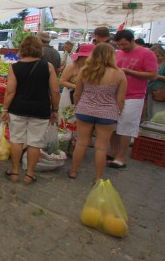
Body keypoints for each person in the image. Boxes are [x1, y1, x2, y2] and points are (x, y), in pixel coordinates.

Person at [1, 35, 60, 185]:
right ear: (39, 49)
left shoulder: (15, 67)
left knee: (16, 139)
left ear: (22, 49)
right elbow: (55, 91)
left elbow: (9, 92)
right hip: (40, 109)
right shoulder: (48, 67)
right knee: (35, 142)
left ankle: (14, 172)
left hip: (18, 108)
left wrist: (4, 109)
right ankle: (29, 175)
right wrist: (55, 110)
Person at [69, 44, 126, 183]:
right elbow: (121, 99)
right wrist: (117, 112)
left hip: (85, 110)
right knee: (101, 147)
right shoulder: (119, 73)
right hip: (107, 113)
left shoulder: (85, 71)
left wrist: (79, 106)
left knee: (81, 143)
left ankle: (73, 171)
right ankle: (98, 177)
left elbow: (77, 93)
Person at [107, 30, 158, 168]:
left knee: (126, 126)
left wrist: (129, 72)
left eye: (124, 44)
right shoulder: (117, 53)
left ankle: (121, 156)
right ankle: (113, 151)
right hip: (115, 94)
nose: (122, 48)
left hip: (134, 96)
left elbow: (153, 75)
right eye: (119, 45)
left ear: (132, 40)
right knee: (112, 125)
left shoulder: (147, 53)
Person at [58, 43, 94, 137]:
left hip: (86, 99)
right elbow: (62, 81)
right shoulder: (72, 66)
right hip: (69, 98)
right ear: (81, 56)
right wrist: (78, 87)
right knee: (68, 120)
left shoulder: (92, 68)